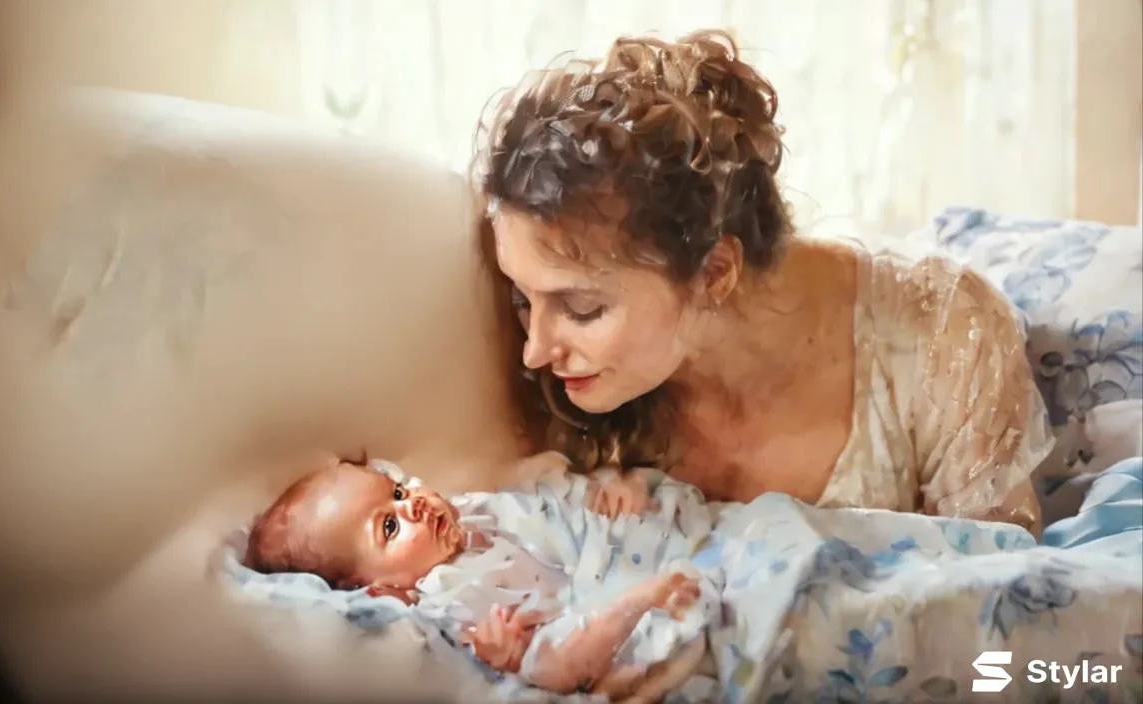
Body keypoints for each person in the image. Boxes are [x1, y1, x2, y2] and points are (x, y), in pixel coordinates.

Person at [470, 28, 1053, 533]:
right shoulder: (574, 406)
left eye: (581, 307)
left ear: (715, 273)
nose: (536, 350)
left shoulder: (945, 336)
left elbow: (1002, 615)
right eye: (525, 298)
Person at [240, 453, 724, 697]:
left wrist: (610, 493)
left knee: (640, 506)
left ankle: (648, 590)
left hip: (589, 575)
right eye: (389, 526)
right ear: (381, 587)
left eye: (398, 490)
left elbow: (553, 507)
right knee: (551, 666)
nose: (414, 506)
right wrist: (505, 657)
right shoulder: (442, 594)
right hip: (567, 636)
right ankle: (637, 606)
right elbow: (490, 664)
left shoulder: (472, 514)